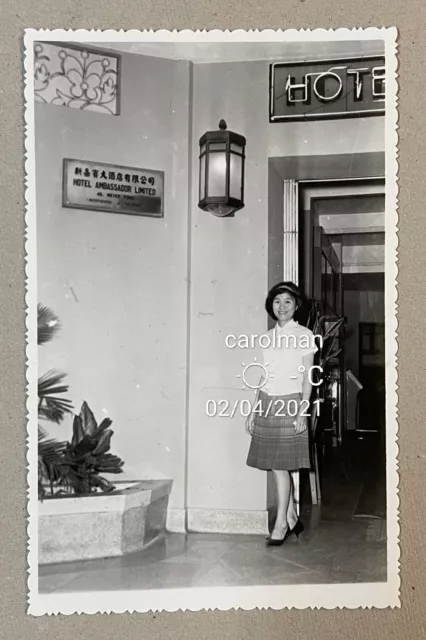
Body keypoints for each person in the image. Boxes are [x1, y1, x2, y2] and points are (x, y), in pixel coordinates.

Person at [246, 281, 318, 546]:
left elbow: (309, 375)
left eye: (288, 301)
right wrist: (255, 409)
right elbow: (265, 376)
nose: (282, 306)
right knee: (276, 464)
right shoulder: (266, 337)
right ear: (271, 305)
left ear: (296, 305)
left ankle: (280, 525)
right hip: (267, 401)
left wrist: (303, 409)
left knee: (280, 465)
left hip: (291, 402)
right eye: (277, 301)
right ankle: (291, 517)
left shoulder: (304, 334)